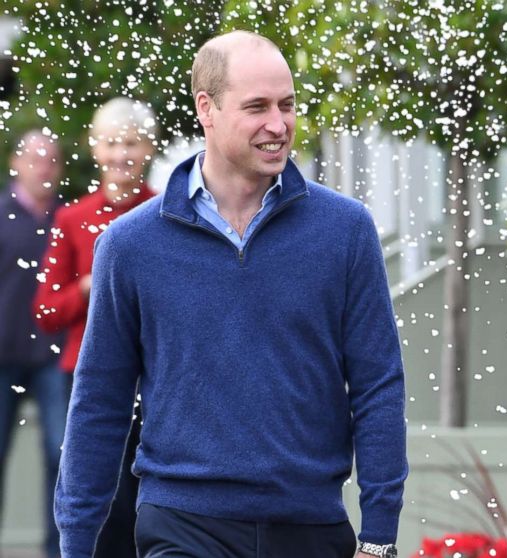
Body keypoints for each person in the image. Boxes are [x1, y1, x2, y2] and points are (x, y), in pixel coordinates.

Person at [54, 30, 407, 558]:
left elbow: (378, 383)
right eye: (257, 107)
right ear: (207, 109)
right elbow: (99, 401)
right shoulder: (130, 245)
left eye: (287, 105)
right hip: (183, 523)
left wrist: (379, 535)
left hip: (310, 523)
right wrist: (77, 543)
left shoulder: (346, 231)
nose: (278, 124)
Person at [35, 97, 159, 558]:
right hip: (87, 374)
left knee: (145, 492)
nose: (120, 154)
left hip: (153, 376)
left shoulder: (164, 212)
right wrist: (88, 288)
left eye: (130, 142)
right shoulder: (71, 220)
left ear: (148, 147)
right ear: (94, 149)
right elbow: (46, 311)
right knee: (87, 487)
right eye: (110, 143)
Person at [0, 130, 67, 558]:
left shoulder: (66, 219)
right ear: (16, 163)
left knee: (62, 457)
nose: (44, 168)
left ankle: (57, 550)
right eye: (36, 159)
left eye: (52, 160)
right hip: (1, 357)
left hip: (52, 358)